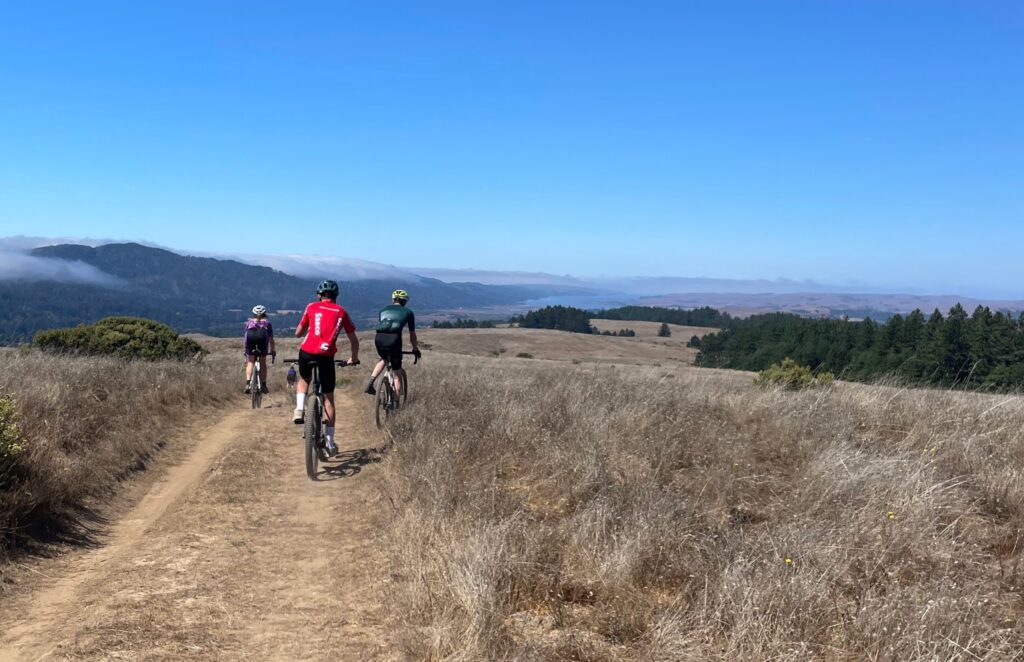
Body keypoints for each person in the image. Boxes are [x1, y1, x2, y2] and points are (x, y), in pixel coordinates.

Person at [293, 280, 359, 456]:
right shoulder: (341, 311)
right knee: (328, 398)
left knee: (304, 380)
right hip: (326, 356)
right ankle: (329, 443)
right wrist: (354, 358)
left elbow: (298, 333)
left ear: (318, 295)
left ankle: (299, 409)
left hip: (306, 352)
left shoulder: (311, 307)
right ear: (336, 296)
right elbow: (354, 340)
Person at [365, 289, 421, 396]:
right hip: (394, 340)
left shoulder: (382, 310)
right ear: (404, 301)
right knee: (396, 374)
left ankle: (371, 382)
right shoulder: (408, 312)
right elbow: (412, 334)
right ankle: (395, 405)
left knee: (383, 359)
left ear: (393, 299)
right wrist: (415, 348)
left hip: (379, 338)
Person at [243, 305, 276, 394]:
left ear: (253, 314)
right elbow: (271, 340)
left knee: (250, 362)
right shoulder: (267, 324)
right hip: (262, 342)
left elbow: (245, 338)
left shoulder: (248, 323)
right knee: (262, 363)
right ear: (264, 314)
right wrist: (272, 350)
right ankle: (264, 385)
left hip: (250, 341)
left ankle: (248, 383)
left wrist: (245, 349)